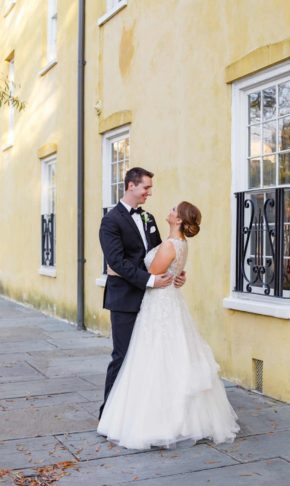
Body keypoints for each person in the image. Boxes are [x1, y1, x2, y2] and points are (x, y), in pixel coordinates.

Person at [97, 201, 240, 449]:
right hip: (168, 301)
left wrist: (119, 269)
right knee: (172, 355)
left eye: (174, 210)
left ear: (179, 221)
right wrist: (176, 274)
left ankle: (155, 420)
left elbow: (151, 270)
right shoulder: (180, 243)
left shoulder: (169, 244)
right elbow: (167, 269)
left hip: (158, 303)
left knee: (153, 358)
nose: (170, 210)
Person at [98, 167, 185, 420]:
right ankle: (108, 416)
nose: (149, 192)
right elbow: (116, 261)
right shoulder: (111, 221)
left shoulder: (148, 218)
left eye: (150, 188)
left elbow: (158, 252)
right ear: (131, 186)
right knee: (123, 357)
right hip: (125, 298)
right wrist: (150, 280)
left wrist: (175, 272)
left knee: (147, 357)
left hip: (153, 300)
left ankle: (141, 416)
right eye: (146, 187)